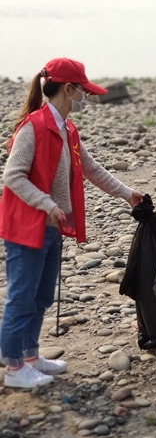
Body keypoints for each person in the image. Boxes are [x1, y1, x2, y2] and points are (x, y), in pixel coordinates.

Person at [0, 58, 144, 388]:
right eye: (83, 90)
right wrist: (47, 202)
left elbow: (90, 169)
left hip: (51, 226)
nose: (86, 97)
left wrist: (127, 194)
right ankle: (13, 368)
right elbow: (13, 176)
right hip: (27, 226)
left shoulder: (67, 128)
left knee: (41, 297)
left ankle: (31, 356)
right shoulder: (33, 127)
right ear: (69, 89)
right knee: (21, 297)